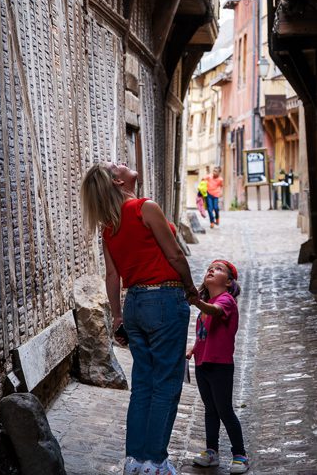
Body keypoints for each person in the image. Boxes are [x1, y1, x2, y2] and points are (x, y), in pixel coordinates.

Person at [81, 162, 199, 475]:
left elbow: (111, 276)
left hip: (134, 304)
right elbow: (174, 255)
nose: (122, 163)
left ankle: (134, 460)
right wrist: (190, 289)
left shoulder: (109, 228)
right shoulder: (145, 208)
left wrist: (118, 316)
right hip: (164, 299)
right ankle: (156, 461)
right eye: (116, 165)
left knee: (143, 385)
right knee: (166, 384)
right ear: (119, 180)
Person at [186, 260, 249, 474]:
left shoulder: (226, 300)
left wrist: (197, 303)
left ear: (229, 282)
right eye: (210, 268)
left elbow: (214, 312)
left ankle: (240, 454)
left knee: (224, 410)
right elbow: (205, 334)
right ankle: (211, 452)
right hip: (202, 364)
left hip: (220, 366)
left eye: (219, 269)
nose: (212, 270)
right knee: (210, 410)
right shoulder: (207, 303)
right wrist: (193, 349)